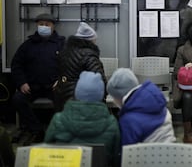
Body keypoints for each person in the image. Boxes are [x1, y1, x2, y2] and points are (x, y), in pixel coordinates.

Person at [44, 71, 121, 167]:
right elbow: (117, 159)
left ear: (77, 93)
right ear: (100, 95)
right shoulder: (111, 124)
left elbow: (46, 153)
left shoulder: (58, 120)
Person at [11, 13, 65, 143]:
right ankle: (36, 130)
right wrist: (22, 82)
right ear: (37, 25)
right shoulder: (28, 45)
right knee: (17, 99)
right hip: (32, 87)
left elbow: (69, 65)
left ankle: (56, 131)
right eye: (41, 24)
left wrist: (61, 81)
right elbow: (16, 65)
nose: (44, 26)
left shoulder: (61, 44)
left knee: (66, 99)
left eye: (47, 24)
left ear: (53, 26)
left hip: (53, 86)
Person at [106, 68, 176, 145]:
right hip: (170, 153)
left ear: (120, 97)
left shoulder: (128, 120)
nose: (113, 101)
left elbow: (127, 152)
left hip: (145, 155)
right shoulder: (160, 106)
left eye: (114, 97)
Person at [54, 22, 105, 111]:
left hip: (62, 95)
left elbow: (61, 74)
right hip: (82, 98)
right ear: (90, 40)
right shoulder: (89, 55)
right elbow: (98, 78)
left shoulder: (65, 52)